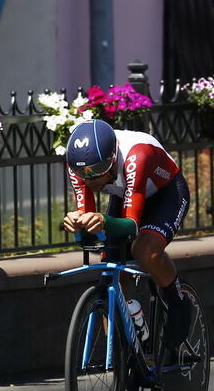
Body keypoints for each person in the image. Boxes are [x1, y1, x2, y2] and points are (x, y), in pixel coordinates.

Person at [61, 119, 192, 351]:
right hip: (127, 194)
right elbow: (89, 225)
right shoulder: (79, 166)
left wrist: (102, 220)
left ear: (113, 160)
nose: (89, 180)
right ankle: (125, 351)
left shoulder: (136, 154)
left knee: (143, 250)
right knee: (110, 264)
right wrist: (77, 223)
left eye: (97, 171)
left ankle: (178, 301)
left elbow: (131, 225)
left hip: (165, 194)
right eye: (83, 173)